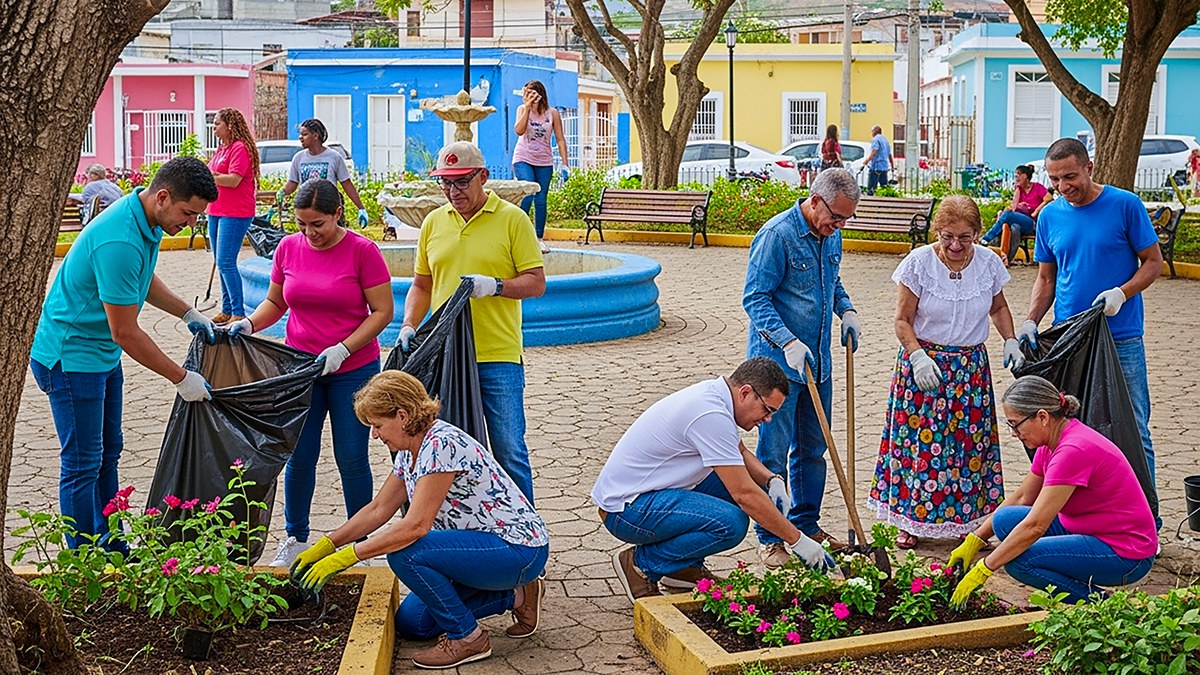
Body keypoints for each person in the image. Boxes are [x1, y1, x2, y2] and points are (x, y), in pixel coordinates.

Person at [290, 370, 549, 670]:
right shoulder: (410, 449)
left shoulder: (440, 445)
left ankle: (469, 639)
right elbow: (378, 509)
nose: (374, 435)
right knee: (414, 624)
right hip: (481, 550)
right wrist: (327, 545)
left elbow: (416, 526)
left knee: (404, 552)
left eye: (377, 425)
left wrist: (347, 557)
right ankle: (518, 595)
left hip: (518, 550)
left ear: (402, 415)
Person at [30, 157, 219, 550]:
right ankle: (84, 557)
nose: (190, 224)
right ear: (163, 197)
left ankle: (112, 545)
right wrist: (180, 378)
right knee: (83, 463)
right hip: (70, 358)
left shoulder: (144, 220)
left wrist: (187, 311)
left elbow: (142, 277)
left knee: (108, 452)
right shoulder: (120, 238)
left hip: (99, 354)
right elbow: (126, 332)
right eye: (188, 214)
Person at [228, 178, 394, 567]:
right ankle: (295, 537)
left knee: (351, 455)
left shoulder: (362, 251)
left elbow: (383, 312)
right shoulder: (288, 248)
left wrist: (343, 348)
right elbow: (275, 302)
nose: (309, 233)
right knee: (299, 454)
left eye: (317, 224)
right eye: (302, 224)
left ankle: (360, 544)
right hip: (301, 367)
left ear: (338, 214)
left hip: (352, 367)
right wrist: (249, 324)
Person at [592, 358, 836, 602]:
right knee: (731, 523)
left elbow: (738, 451)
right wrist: (798, 540)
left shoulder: (716, 397)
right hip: (626, 511)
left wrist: (772, 480)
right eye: (767, 410)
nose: (768, 419)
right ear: (746, 392)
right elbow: (745, 495)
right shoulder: (710, 414)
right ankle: (640, 565)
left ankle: (680, 568)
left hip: (647, 494)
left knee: (745, 485)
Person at [1017, 138, 1163, 519]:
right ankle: (1079, 515)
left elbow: (1152, 262)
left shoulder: (1125, 206)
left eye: (1070, 176)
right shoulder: (1049, 216)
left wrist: (1122, 292)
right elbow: (1046, 278)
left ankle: (1147, 518)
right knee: (1070, 430)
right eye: (1054, 179)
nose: (1063, 186)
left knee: (1132, 427)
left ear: (1089, 168)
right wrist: (1031, 320)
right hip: (1070, 338)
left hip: (1121, 336)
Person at [867, 195, 1024, 550]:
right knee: (918, 447)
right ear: (937, 231)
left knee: (969, 448)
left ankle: (971, 522)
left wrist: (1010, 339)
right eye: (947, 236)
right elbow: (902, 320)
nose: (955, 245)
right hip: (924, 365)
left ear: (977, 235)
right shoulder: (919, 264)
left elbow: (998, 307)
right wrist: (917, 356)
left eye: (964, 237)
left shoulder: (987, 263)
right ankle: (909, 520)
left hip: (970, 369)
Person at [398, 141, 545, 504]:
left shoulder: (513, 219)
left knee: (509, 449)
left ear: (483, 176)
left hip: (497, 355)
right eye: (445, 183)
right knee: (447, 449)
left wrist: (495, 286)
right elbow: (421, 284)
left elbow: (536, 282)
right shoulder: (434, 222)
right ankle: (463, 535)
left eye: (462, 182)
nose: (452, 192)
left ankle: (527, 538)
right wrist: (408, 325)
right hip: (446, 356)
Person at [742, 168, 863, 569]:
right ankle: (769, 538)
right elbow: (755, 298)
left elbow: (833, 281)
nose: (840, 225)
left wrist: (846, 309)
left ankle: (806, 524)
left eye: (847, 219)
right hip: (778, 368)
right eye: (836, 217)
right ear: (814, 200)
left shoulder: (832, 233)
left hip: (818, 364)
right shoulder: (777, 236)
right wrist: (787, 340)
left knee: (814, 449)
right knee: (773, 453)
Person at [947, 376, 1156, 606]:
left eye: (1015, 424)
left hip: (1126, 553)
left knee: (1019, 562)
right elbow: (1022, 497)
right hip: (1088, 528)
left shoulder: (1072, 451)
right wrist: (975, 539)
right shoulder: (1052, 442)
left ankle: (1102, 604)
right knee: (1005, 520)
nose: (1014, 433)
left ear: (1042, 417)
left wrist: (984, 569)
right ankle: (1069, 570)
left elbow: (1035, 526)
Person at [206, 107, 260, 325]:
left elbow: (234, 180)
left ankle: (238, 310)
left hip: (235, 212)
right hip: (217, 210)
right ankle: (227, 309)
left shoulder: (240, 148)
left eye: (217, 123)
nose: (214, 128)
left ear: (229, 125)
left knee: (227, 262)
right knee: (221, 262)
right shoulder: (222, 149)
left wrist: (213, 176)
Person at [276, 118, 370, 229]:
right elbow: (292, 183)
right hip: (308, 204)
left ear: (315, 136)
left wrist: (361, 208)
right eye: (300, 134)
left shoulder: (334, 157)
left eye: (305, 134)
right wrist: (281, 194)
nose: (300, 137)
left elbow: (346, 184)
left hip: (329, 205)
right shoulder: (299, 158)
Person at [512, 80, 570, 253]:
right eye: (527, 93)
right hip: (524, 157)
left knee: (541, 198)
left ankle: (538, 238)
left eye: (533, 93)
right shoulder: (522, 110)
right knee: (527, 192)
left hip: (544, 161)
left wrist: (565, 164)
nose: (531, 97)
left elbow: (560, 139)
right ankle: (518, 234)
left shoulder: (552, 114)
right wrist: (527, 107)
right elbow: (519, 130)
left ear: (540, 94)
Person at [980, 164, 1051, 264]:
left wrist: (1036, 211)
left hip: (1031, 223)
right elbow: (1013, 207)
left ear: (1025, 176)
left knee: (1008, 215)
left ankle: (986, 238)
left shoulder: (1037, 187)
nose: (1015, 177)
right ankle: (1007, 259)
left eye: (1018, 175)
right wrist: (1017, 190)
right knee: (1014, 228)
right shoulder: (1019, 190)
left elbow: (1049, 198)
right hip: (1019, 221)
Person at [863, 125, 894, 194]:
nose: (871, 133)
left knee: (872, 188)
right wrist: (892, 166)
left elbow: (874, 151)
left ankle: (870, 202)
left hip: (876, 166)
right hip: (884, 167)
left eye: (872, 131)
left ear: (875, 131)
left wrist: (867, 160)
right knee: (884, 188)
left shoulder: (875, 139)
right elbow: (889, 155)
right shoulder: (885, 141)